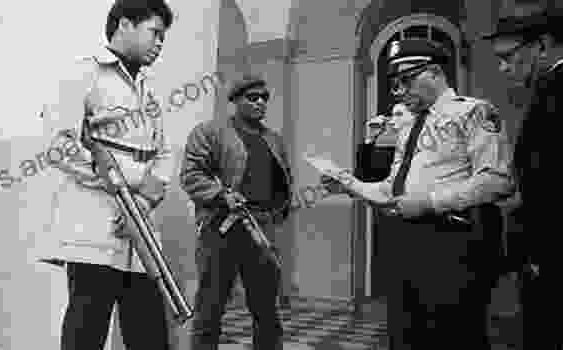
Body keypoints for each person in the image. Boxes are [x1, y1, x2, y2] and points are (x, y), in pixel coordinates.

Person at [321, 38, 514, 349]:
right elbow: (391, 188)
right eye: (394, 81)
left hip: (453, 245)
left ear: (435, 72)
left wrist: (428, 203)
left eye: (406, 79)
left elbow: (497, 180)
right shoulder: (410, 126)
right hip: (405, 243)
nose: (398, 89)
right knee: (405, 335)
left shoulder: (474, 112)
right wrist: (349, 184)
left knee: (454, 336)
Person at [39, 1, 175, 349]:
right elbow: (58, 146)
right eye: (155, 33)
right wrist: (125, 181)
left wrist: (144, 200)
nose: (160, 43)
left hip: (140, 228)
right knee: (87, 331)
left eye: (163, 36)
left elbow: (164, 152)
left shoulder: (150, 89)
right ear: (126, 24)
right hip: (94, 226)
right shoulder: (83, 73)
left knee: (149, 335)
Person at [180, 74, 293, 350]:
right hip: (222, 229)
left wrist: (278, 212)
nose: (259, 103)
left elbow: (284, 180)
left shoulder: (274, 140)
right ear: (235, 101)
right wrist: (221, 195)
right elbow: (191, 174)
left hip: (260, 229)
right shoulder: (209, 132)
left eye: (264, 98)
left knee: (267, 311)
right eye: (252, 98)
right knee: (210, 308)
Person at [483, 4, 563, 349]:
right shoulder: (547, 89)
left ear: (542, 46)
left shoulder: (558, 93)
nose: (502, 68)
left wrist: (538, 257)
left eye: (508, 57)